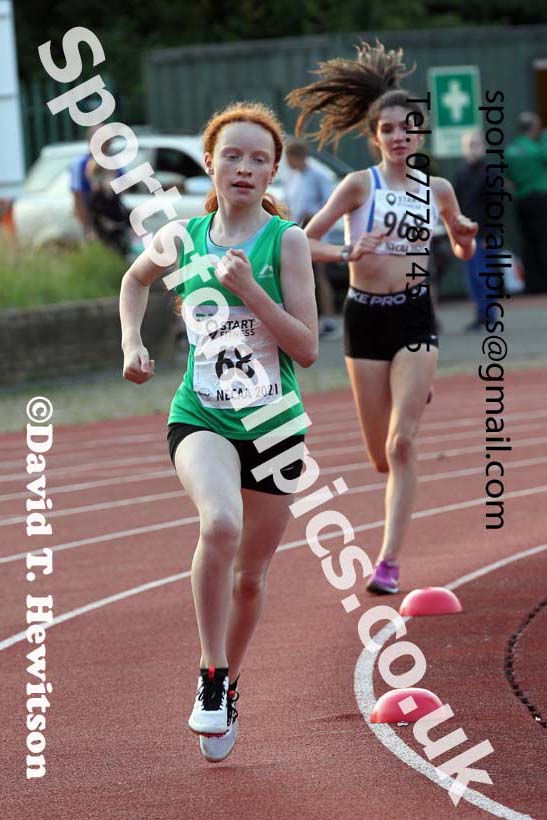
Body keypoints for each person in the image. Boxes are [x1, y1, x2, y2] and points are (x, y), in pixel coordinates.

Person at [119, 102, 318, 762]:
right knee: (221, 525)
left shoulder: (285, 241)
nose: (244, 167)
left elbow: (308, 348)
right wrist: (133, 343)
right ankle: (210, 675)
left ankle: (229, 683)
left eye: (258, 158)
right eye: (232, 154)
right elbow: (134, 280)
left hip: (274, 425)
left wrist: (251, 294)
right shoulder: (182, 237)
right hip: (199, 415)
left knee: (251, 580)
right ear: (210, 161)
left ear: (272, 172)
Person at [286, 41, 477, 594]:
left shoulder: (436, 190)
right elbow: (303, 241)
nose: (399, 137)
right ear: (375, 136)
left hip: (415, 318)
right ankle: (409, 395)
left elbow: (462, 247)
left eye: (409, 128)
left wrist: (463, 239)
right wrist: (349, 253)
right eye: (388, 129)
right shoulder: (357, 187)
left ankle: (388, 563)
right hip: (363, 320)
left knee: (402, 445)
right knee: (379, 458)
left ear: (421, 134)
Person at [283, 139, 339, 337]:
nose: (288, 163)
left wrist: (312, 216)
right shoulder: (291, 177)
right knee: (299, 277)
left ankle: (329, 319)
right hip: (296, 233)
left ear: (300, 157)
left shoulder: (318, 176)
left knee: (319, 275)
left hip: (316, 234)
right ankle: (305, 320)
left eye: (290, 158)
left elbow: (330, 204)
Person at [506, 112, 547, 294]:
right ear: (534, 128)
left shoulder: (510, 150)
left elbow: (507, 181)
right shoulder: (539, 148)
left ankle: (533, 284)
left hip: (522, 201)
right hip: (542, 199)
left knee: (528, 242)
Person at [453, 129, 490, 330]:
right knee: (472, 278)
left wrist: (488, 234)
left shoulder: (491, 172)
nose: (472, 148)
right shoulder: (461, 173)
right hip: (467, 237)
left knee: (484, 275)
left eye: (475, 144)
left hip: (484, 235)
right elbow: (455, 205)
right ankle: (480, 314)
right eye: (468, 145)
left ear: (483, 146)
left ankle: (488, 316)